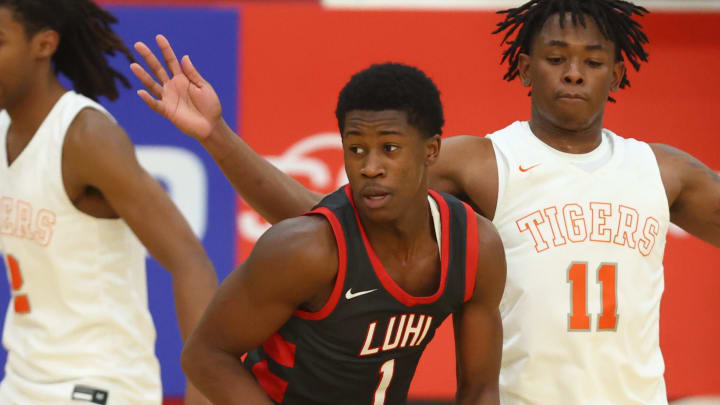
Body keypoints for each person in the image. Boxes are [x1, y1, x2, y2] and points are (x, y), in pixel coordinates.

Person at [130, 1, 720, 404]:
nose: (573, 74)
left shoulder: (663, 171)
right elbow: (323, 221)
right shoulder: (483, 162)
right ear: (524, 66)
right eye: (555, 57)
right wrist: (217, 136)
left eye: (592, 62)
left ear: (618, 73)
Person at [176, 63, 506, 404]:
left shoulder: (475, 246)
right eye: (356, 149)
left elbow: (480, 390)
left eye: (390, 148)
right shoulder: (307, 249)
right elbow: (205, 355)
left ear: (432, 150)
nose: (370, 167)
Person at [0, 1, 217, 404]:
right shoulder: (4, 127)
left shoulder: (86, 137)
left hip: (98, 385)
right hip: (21, 382)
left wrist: (203, 395)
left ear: (44, 44)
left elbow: (190, 261)